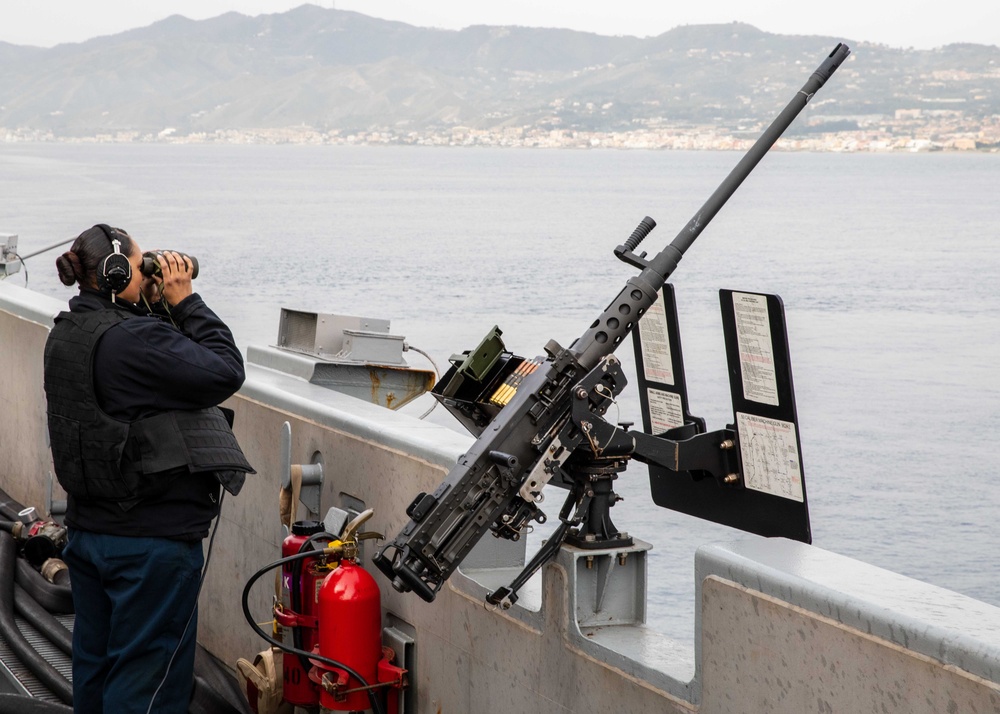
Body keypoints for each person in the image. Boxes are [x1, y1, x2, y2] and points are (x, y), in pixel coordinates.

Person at [42, 224, 255, 714]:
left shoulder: (68, 332)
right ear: (119, 273)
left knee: (94, 672)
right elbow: (225, 370)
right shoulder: (135, 341)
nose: (151, 273)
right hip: (148, 547)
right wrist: (185, 301)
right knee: (146, 686)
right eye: (144, 266)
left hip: (91, 535)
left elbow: (144, 366)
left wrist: (152, 303)